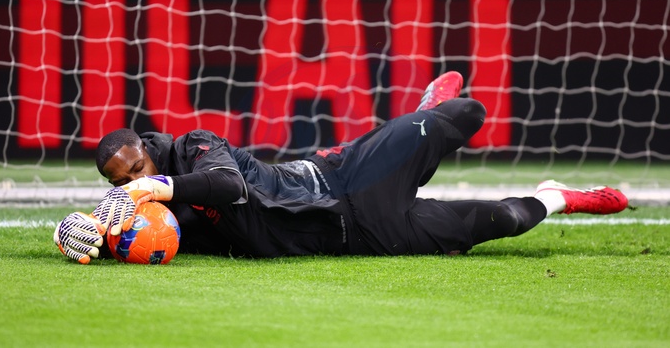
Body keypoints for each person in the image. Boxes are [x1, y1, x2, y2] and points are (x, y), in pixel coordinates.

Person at [53, 72, 629, 264]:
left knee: (467, 112)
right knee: (504, 220)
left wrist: (156, 185)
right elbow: (127, 240)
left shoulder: (194, 147)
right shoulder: (161, 219)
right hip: (361, 232)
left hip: (343, 173)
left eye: (138, 168)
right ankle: (559, 195)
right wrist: (78, 232)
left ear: (149, 150)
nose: (133, 184)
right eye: (122, 182)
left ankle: (424, 115)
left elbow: (227, 185)